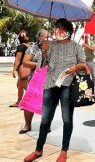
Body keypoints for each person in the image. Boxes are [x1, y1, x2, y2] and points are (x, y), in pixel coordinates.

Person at [24, 18, 87, 162]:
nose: (57, 30)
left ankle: (64, 151)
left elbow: (83, 64)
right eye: (56, 27)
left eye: (60, 27)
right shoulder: (50, 45)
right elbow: (41, 65)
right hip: (50, 85)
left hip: (68, 86)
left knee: (66, 118)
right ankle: (38, 150)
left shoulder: (76, 46)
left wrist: (74, 68)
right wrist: (44, 52)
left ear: (69, 31)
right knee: (45, 119)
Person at [20, 29, 50, 134]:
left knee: (47, 103)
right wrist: (38, 65)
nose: (48, 39)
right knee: (29, 103)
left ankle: (46, 125)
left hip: (49, 80)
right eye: (46, 37)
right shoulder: (33, 49)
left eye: (49, 37)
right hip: (35, 80)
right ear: (40, 38)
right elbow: (25, 62)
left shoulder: (53, 48)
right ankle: (27, 125)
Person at [10, 30, 30, 108]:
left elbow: (18, 59)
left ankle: (28, 102)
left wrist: (14, 70)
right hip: (28, 68)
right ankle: (19, 102)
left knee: (25, 86)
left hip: (22, 69)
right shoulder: (30, 46)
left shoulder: (21, 46)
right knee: (19, 85)